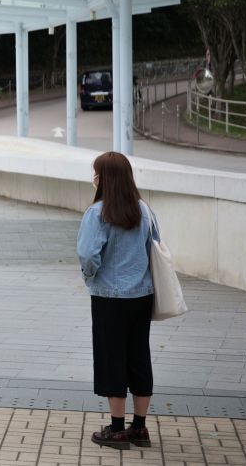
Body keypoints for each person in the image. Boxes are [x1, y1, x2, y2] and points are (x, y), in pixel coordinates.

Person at [77, 151, 155, 450]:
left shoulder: (97, 212)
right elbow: (154, 248)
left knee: (113, 358)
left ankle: (117, 429)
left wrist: (91, 276)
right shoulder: (144, 210)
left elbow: (87, 255)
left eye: (95, 172)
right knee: (138, 357)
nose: (93, 177)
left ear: (103, 178)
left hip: (109, 297)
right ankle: (139, 428)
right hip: (142, 296)